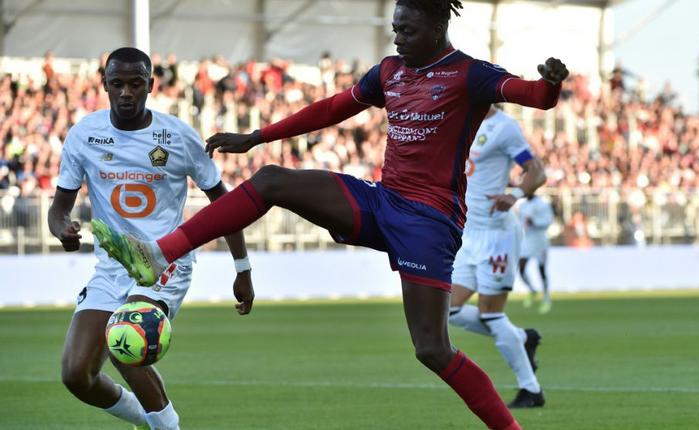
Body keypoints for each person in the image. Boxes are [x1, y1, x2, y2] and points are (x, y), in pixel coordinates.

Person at [95, 2, 568, 429]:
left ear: (438, 25)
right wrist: (257, 137)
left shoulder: (470, 74)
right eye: (395, 28)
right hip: (383, 202)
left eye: (407, 29)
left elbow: (533, 96)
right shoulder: (390, 72)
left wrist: (549, 83)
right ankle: (160, 253)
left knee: (432, 349)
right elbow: (331, 109)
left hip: (429, 223)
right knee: (271, 180)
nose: (397, 37)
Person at [48, 47, 254, 430]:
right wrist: (62, 229)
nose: (126, 92)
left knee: (127, 339)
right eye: (117, 84)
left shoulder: (177, 136)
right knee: (76, 375)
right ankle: (145, 420)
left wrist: (242, 268)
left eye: (135, 83)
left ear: (150, 85)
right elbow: (59, 208)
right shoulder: (85, 135)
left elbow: (225, 204)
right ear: (105, 86)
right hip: (112, 268)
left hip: (165, 263)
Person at [449, 105, 547, 408]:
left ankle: (531, 390)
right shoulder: (456, 120)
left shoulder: (503, 127)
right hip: (469, 233)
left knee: (491, 312)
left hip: (497, 234)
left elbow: (536, 170)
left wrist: (515, 195)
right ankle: (520, 337)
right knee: (446, 310)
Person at [516, 192, 554, 313]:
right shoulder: (523, 205)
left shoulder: (542, 204)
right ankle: (532, 290)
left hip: (540, 242)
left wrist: (535, 222)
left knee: (541, 270)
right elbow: (520, 222)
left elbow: (548, 221)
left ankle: (546, 298)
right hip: (527, 241)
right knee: (521, 268)